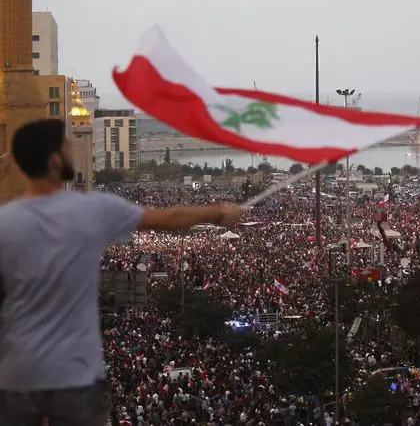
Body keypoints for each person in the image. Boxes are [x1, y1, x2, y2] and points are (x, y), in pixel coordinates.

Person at [0, 119, 243, 426]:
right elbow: (172, 217)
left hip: (16, 377)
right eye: (68, 146)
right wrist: (219, 212)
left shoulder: (4, 223)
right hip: (75, 376)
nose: (74, 152)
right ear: (54, 161)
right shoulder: (92, 210)